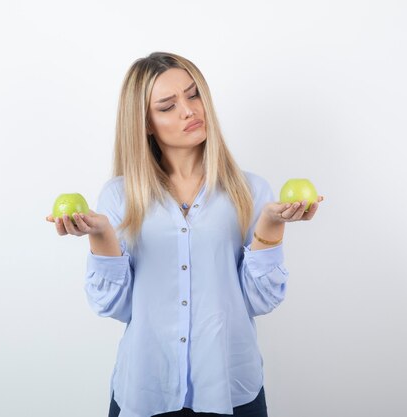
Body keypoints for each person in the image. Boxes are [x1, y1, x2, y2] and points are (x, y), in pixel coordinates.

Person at [46, 52, 324, 417]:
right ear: (145, 123)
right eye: (167, 106)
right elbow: (114, 306)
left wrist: (271, 228)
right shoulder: (119, 196)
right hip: (146, 388)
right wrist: (101, 237)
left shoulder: (251, 191)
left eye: (193, 95)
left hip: (229, 386)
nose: (189, 111)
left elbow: (259, 302)